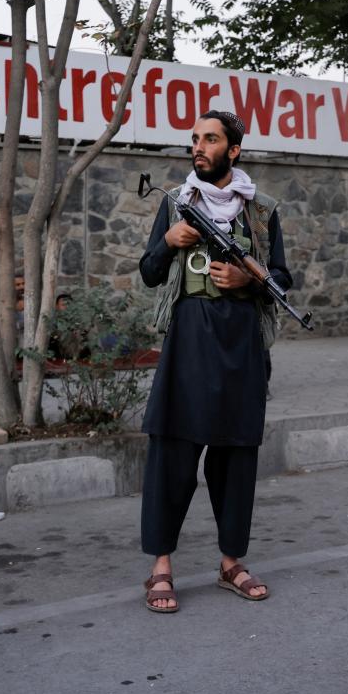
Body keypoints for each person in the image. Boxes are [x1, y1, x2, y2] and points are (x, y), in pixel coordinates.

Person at [137, 110, 290, 613]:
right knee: (173, 453)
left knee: (237, 456)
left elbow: (284, 278)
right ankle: (161, 567)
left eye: (209, 139)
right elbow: (150, 275)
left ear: (234, 150)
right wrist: (167, 241)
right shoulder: (179, 203)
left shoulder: (262, 212)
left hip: (242, 345)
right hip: (190, 342)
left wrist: (251, 280)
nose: (198, 147)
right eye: (195, 140)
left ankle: (231, 563)